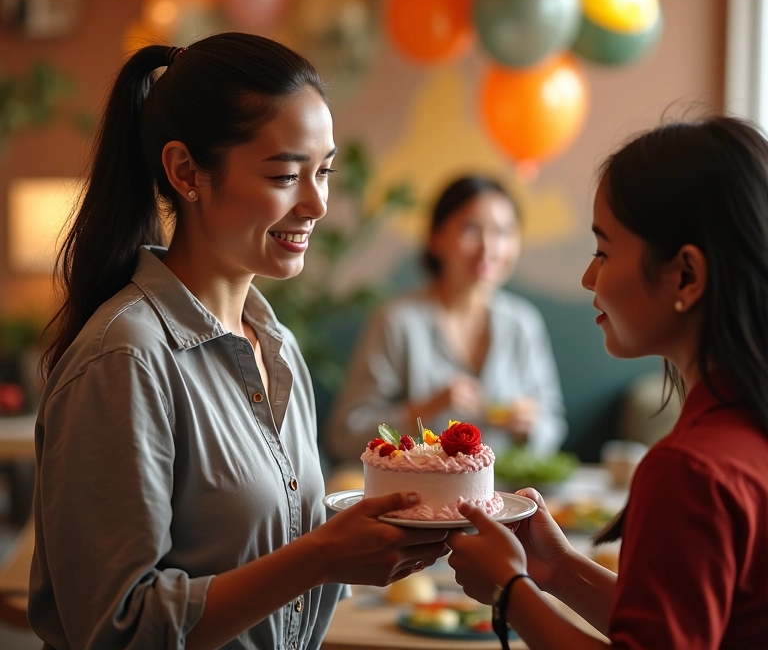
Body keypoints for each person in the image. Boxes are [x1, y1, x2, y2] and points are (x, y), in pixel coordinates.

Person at [28, 32, 449, 650]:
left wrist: (364, 545)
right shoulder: (125, 359)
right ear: (184, 171)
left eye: (324, 172)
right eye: (285, 175)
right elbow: (119, 631)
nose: (317, 203)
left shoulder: (275, 345)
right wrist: (321, 559)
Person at [446, 115, 768, 649]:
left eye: (604, 251)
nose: (588, 278)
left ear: (685, 275)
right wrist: (557, 569)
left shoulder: (690, 471)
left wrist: (510, 592)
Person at [325, 174, 567, 463]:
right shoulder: (396, 321)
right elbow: (344, 437)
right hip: (417, 499)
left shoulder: (523, 323)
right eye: (471, 229)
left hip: (507, 499)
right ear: (436, 238)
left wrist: (531, 427)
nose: (489, 248)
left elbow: (553, 425)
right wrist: (426, 408)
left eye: (503, 232)